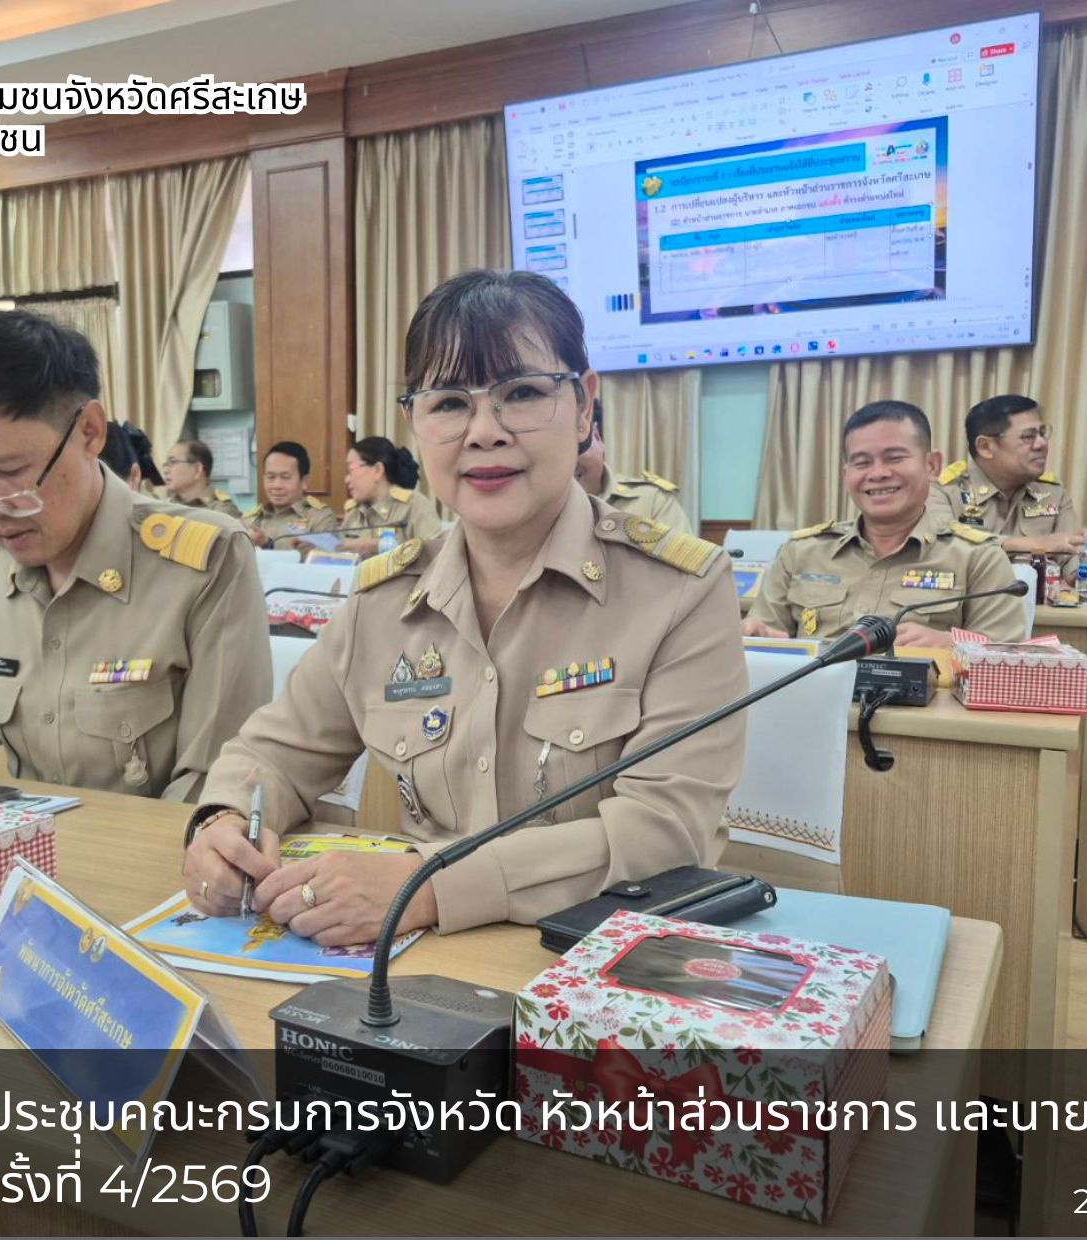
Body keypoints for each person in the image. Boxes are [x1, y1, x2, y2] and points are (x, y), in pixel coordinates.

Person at [181, 269, 745, 944]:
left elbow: (667, 829)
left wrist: (430, 885)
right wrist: (223, 822)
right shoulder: (381, 602)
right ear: (415, 426)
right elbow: (274, 753)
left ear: (586, 405)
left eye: (523, 393)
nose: (484, 431)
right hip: (418, 969)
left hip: (594, 963)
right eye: (448, 403)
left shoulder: (681, 589)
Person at [0, 310, 270, 798]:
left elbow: (217, 777)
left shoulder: (204, 563)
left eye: (10, 471)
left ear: (89, 431)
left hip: (155, 859)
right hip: (29, 850)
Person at [742, 400, 1025, 648]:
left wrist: (953, 643)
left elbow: (1006, 657)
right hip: (812, 704)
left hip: (920, 709)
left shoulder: (977, 557)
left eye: (895, 458)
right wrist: (759, 635)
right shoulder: (801, 552)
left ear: (932, 466)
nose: (877, 473)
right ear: (846, 474)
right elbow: (765, 637)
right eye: (862, 463)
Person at [929, 394, 1087, 590]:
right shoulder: (943, 491)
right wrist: (1034, 544)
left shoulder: (1052, 494)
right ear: (985, 447)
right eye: (1028, 436)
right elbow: (946, 546)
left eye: (1042, 433)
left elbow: (1070, 558)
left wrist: (1085, 578)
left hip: (1041, 616)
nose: (1042, 444)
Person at [574, 398, 693, 534]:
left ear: (597, 438)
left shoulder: (652, 504)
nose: (567, 462)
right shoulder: (544, 511)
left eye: (575, 445)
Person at [338, 436, 446, 557]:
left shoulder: (413, 505)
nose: (347, 479)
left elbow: (438, 555)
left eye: (350, 470)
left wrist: (380, 547)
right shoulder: (354, 512)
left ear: (378, 470)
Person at [244, 441, 336, 547]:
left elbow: (322, 559)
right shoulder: (250, 520)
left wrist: (268, 544)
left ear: (304, 482)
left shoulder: (320, 518)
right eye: (271, 477)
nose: (277, 485)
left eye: (285, 477)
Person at [160, 440, 242, 516]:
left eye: (173, 462)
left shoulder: (223, 511)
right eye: (166, 464)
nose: (166, 470)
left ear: (197, 469)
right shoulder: (164, 507)